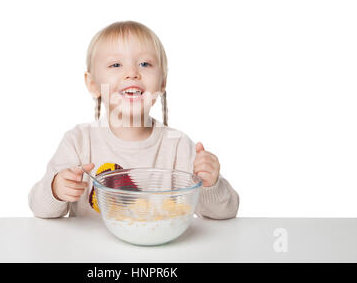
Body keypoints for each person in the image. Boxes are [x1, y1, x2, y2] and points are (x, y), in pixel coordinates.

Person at [28, 20, 239, 219]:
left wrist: (211, 184)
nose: (132, 73)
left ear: (163, 81)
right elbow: (39, 207)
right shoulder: (79, 141)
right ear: (92, 84)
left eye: (145, 64)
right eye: (116, 65)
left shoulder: (177, 146)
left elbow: (226, 212)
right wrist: (56, 189)